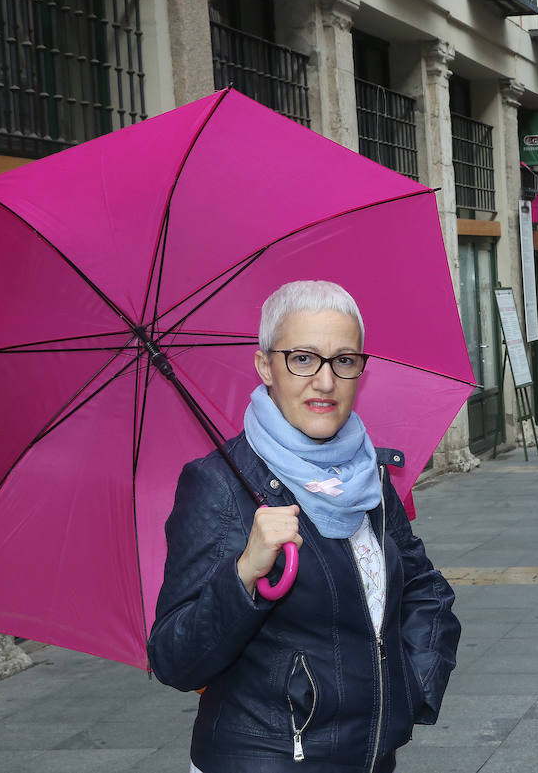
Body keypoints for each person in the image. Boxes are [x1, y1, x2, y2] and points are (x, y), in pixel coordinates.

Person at [148, 280, 460, 773]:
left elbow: (425, 589)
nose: (325, 381)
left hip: (369, 758)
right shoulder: (220, 485)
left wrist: (410, 689)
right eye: (302, 358)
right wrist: (245, 573)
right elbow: (173, 658)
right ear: (264, 365)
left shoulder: (368, 476)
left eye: (344, 360)